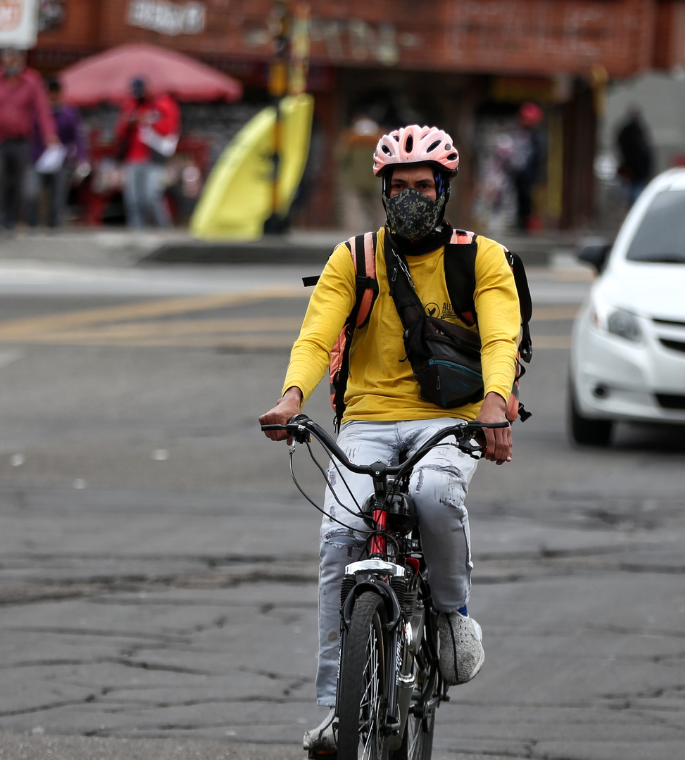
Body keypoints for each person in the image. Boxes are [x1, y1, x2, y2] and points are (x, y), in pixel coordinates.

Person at [257, 125, 520, 753]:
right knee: (337, 535)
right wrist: (291, 397)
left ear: (443, 189)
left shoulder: (480, 258)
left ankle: (452, 618)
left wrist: (493, 405)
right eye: (398, 187)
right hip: (367, 421)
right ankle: (333, 708)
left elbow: (499, 338)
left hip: (451, 419)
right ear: (383, 191)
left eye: (421, 186)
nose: (410, 197)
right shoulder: (355, 259)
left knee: (434, 497)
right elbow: (317, 337)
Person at [0, 48, 57, 237]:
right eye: (6, 60)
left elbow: (42, 109)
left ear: (21, 61)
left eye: (14, 61)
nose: (10, 64)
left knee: (15, 182)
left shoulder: (32, 80)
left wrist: (49, 135)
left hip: (20, 140)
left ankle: (9, 221)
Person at [114, 78, 180, 229]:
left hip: (153, 157)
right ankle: (137, 233)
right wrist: (131, 121)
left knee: (151, 196)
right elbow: (119, 131)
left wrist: (149, 120)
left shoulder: (161, 104)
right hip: (132, 158)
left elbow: (168, 129)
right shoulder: (130, 105)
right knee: (133, 200)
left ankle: (164, 229)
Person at [25, 77, 88, 229]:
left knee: (57, 197)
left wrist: (82, 158)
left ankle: (54, 226)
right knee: (31, 194)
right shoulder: (35, 112)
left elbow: (78, 137)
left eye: (55, 93)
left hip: (61, 159)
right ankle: (32, 224)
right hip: (37, 158)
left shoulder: (69, 113)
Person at [338, 113, 382, 230]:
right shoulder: (379, 139)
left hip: (356, 179)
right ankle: (378, 229)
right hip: (375, 179)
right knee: (377, 206)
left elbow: (342, 158)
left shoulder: (351, 139)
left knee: (356, 207)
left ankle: (356, 230)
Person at [508, 102, 547, 232]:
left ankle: (527, 224)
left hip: (531, 176)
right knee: (520, 198)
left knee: (529, 200)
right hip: (520, 174)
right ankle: (521, 222)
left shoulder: (537, 136)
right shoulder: (521, 133)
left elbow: (539, 157)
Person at [616, 106, 654, 205]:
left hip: (637, 169)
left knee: (634, 191)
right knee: (634, 192)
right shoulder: (631, 132)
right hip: (634, 169)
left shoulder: (636, 130)